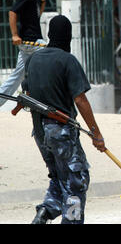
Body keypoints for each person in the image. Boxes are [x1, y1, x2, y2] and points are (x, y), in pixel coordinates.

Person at [22, 15, 106, 224]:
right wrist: (96, 133)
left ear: (49, 35)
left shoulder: (34, 59)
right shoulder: (67, 60)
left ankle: (45, 212)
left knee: (59, 177)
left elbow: (26, 91)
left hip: (40, 133)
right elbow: (80, 99)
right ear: (68, 35)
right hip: (61, 131)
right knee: (76, 181)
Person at [0, 0, 47, 108]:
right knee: (54, 55)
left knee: (16, 77)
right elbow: (13, 12)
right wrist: (14, 35)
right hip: (31, 42)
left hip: (29, 43)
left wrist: (43, 1)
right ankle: (41, 97)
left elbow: (36, 16)